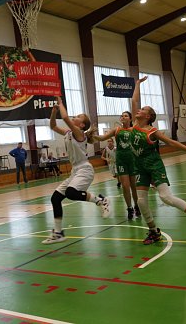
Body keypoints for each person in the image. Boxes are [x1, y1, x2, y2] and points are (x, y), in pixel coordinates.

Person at [131, 76, 186, 244]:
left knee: (166, 198)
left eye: (143, 109)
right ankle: (153, 231)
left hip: (154, 166)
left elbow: (172, 142)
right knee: (140, 201)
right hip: (140, 167)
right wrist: (137, 84)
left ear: (148, 116)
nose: (139, 110)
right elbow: (134, 99)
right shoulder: (135, 124)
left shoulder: (152, 131)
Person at [42, 96, 110, 245]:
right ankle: (58, 233)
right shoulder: (68, 133)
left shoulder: (79, 134)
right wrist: (54, 111)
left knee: (71, 193)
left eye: (78, 116)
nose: (75, 116)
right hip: (75, 171)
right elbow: (53, 126)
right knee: (55, 198)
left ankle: (101, 200)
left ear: (82, 124)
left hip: (85, 169)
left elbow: (65, 117)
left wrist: (60, 103)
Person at [95, 112, 140, 220]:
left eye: (126, 116)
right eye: (122, 116)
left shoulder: (134, 129)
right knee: (125, 186)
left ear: (130, 119)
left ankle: (137, 206)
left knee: (134, 187)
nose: (123, 117)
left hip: (132, 159)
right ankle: (129, 208)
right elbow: (102, 138)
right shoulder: (116, 130)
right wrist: (90, 135)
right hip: (121, 160)